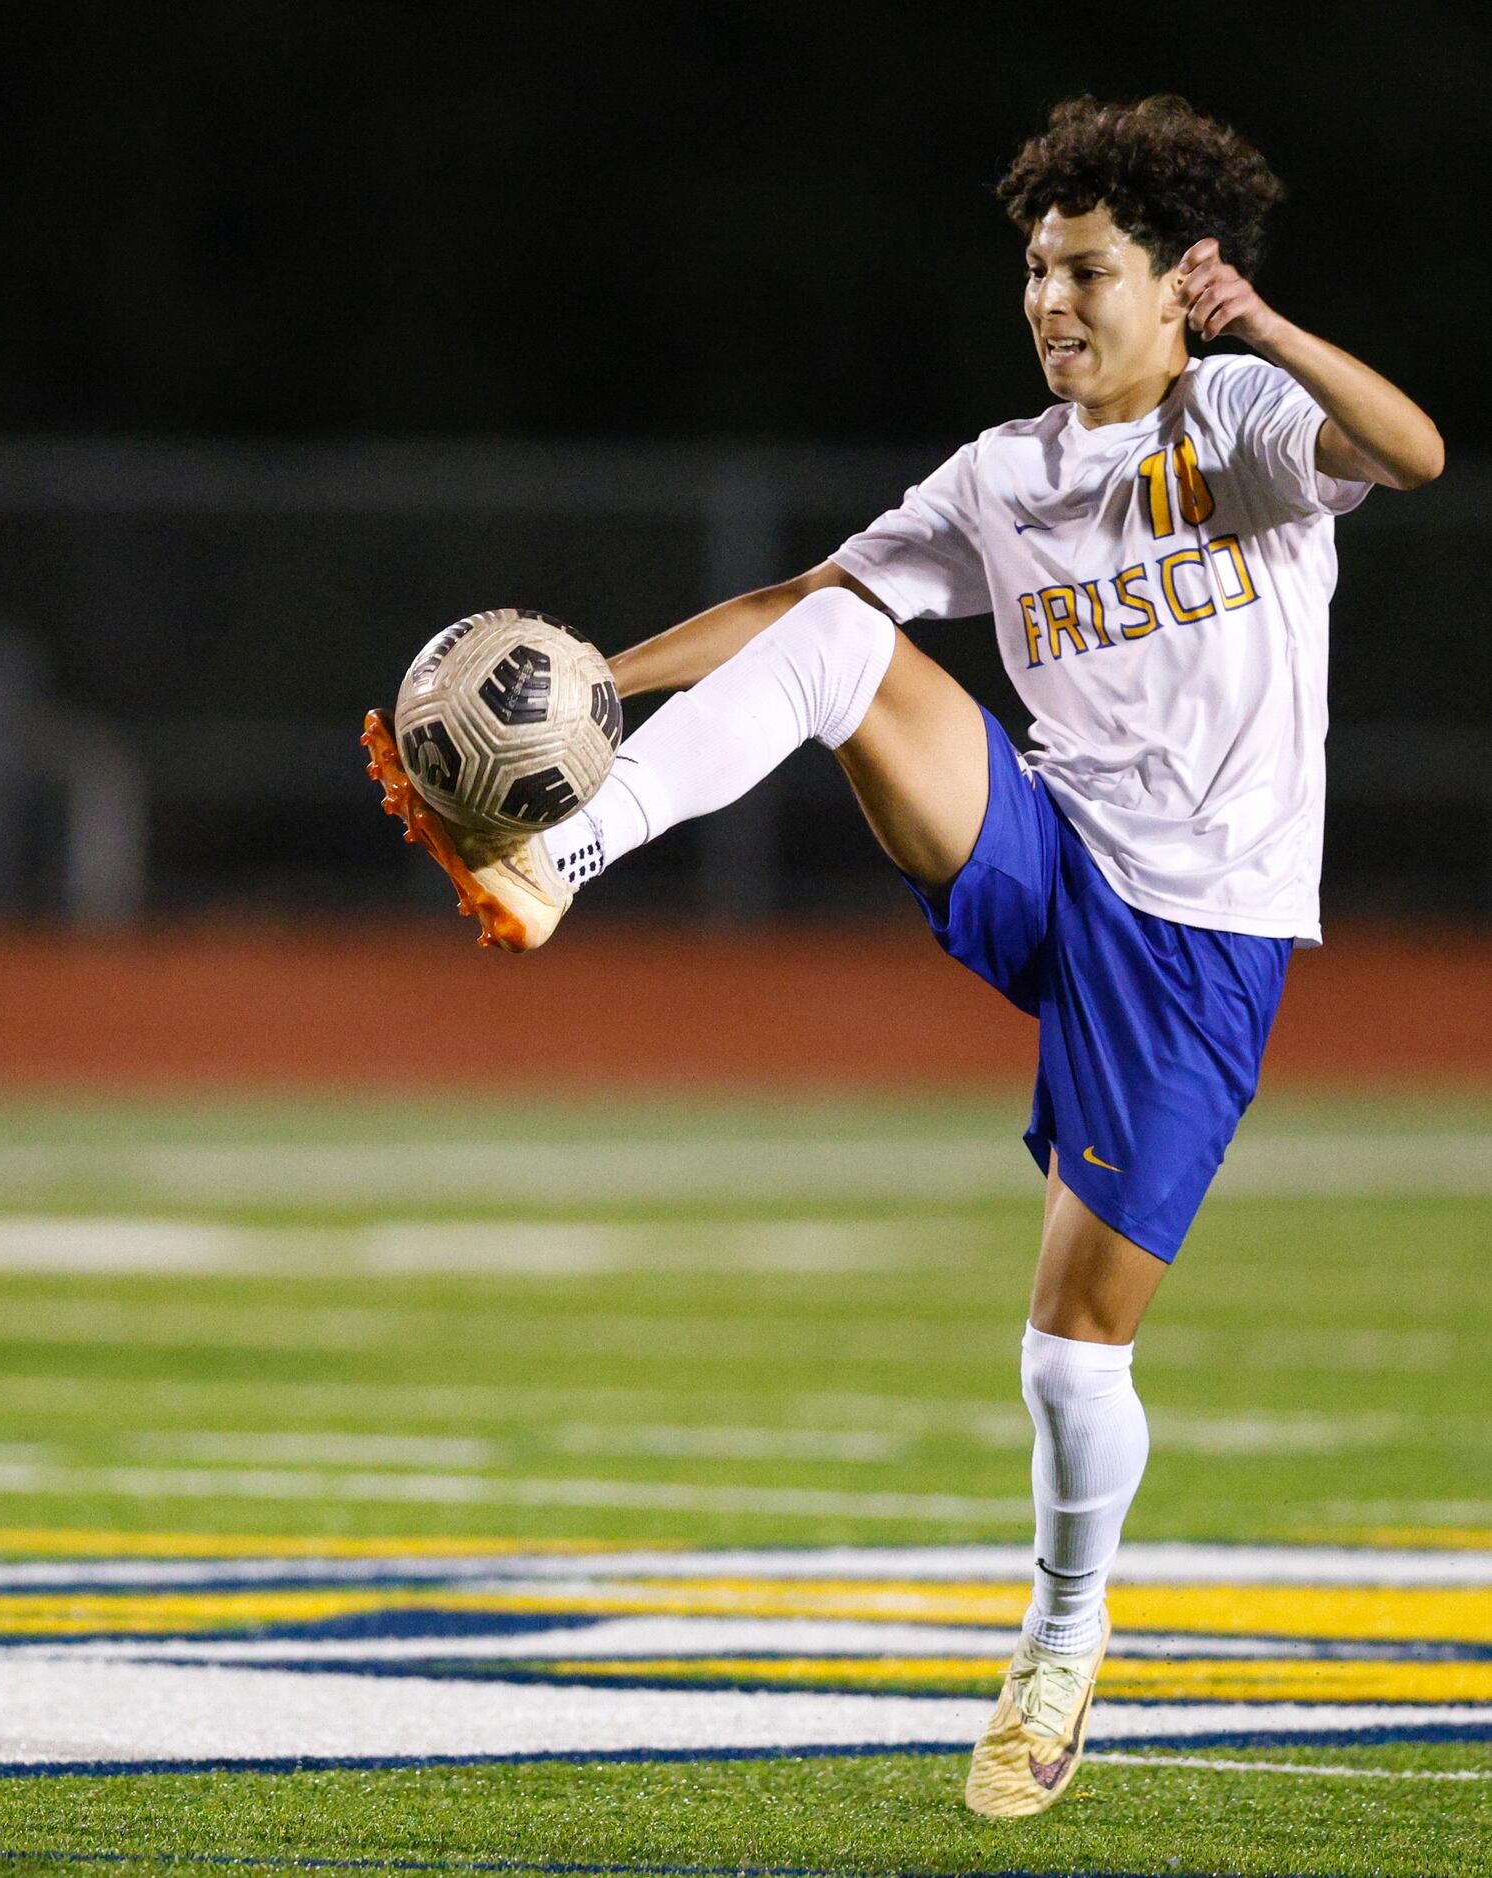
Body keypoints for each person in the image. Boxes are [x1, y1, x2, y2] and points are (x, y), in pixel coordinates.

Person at [366, 95, 1441, 1817]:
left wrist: (1271, 334)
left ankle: (1065, 1629)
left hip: (1197, 946)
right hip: (1044, 858)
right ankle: (561, 851)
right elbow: (797, 604)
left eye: (1086, 269)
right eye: (1033, 269)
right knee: (840, 632)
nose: (1049, 300)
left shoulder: (1242, 416)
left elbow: (1412, 451)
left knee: (1069, 1354)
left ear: (1182, 288)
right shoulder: (1001, 473)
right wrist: (578, 690)